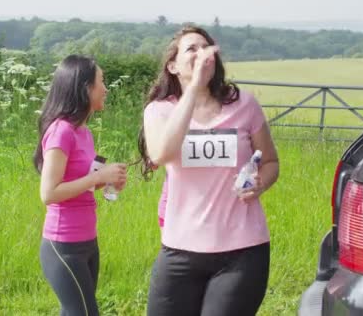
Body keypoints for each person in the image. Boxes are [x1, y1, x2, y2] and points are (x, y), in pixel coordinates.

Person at [139, 26, 280, 316]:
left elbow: (271, 163)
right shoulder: (159, 111)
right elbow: (160, 153)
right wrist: (193, 90)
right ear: (173, 66)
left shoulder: (244, 104)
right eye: (192, 48)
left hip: (242, 251)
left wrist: (259, 183)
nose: (202, 53)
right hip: (180, 249)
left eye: (207, 47)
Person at [34, 55, 127, 316]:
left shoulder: (83, 132)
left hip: (88, 242)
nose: (106, 88)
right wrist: (98, 178)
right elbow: (49, 193)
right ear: (85, 88)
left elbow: (79, 186)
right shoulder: (61, 131)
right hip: (63, 245)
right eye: (102, 81)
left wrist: (107, 181)